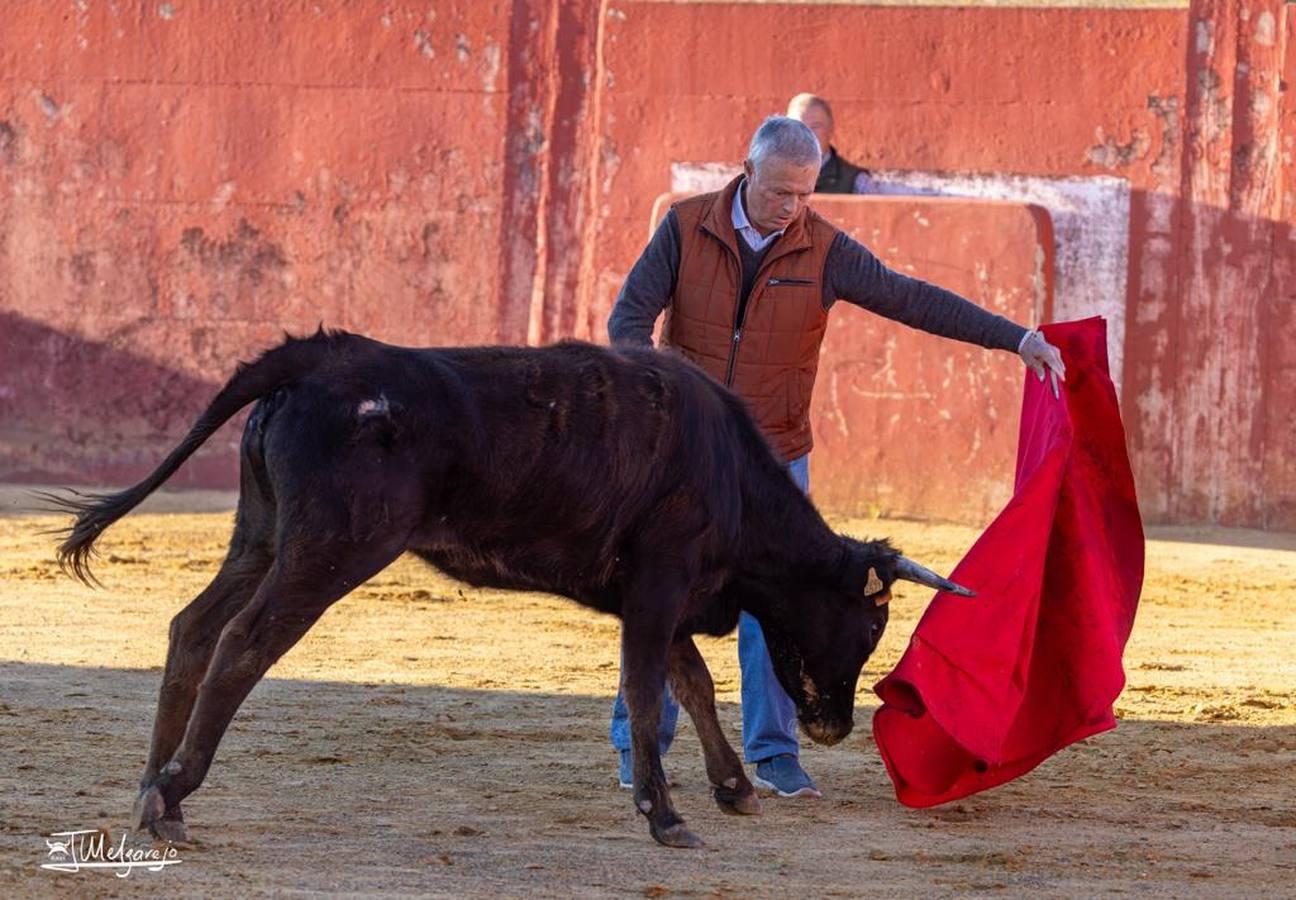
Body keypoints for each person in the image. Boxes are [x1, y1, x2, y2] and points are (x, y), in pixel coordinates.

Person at [606, 116, 1065, 800]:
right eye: (779, 192)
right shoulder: (684, 226)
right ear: (747, 170)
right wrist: (661, 406)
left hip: (774, 462)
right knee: (661, 602)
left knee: (775, 610)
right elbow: (627, 323)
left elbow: (912, 298)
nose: (791, 207)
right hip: (685, 459)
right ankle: (640, 746)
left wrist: (1015, 338)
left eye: (804, 194)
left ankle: (774, 754)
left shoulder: (824, 250)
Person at [786, 92, 914, 196]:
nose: (807, 133)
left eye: (816, 126)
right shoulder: (770, 176)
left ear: (831, 130)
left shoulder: (857, 182)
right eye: (799, 126)